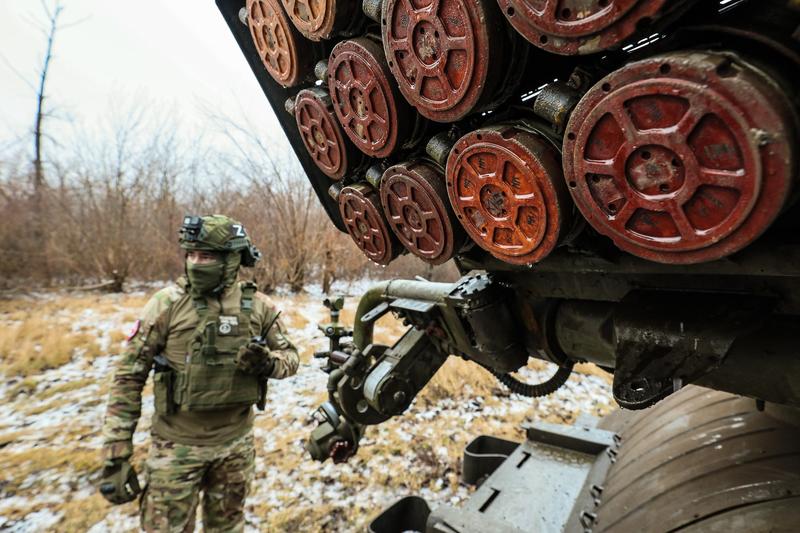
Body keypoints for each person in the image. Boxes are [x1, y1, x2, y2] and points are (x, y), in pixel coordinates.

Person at [99, 214, 299, 532]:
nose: (195, 263)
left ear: (231, 259)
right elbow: (128, 377)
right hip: (175, 451)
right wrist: (116, 453)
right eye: (190, 255)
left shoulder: (259, 306)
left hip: (235, 447)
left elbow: (291, 357)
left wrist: (267, 363)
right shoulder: (166, 304)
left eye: (205, 256)